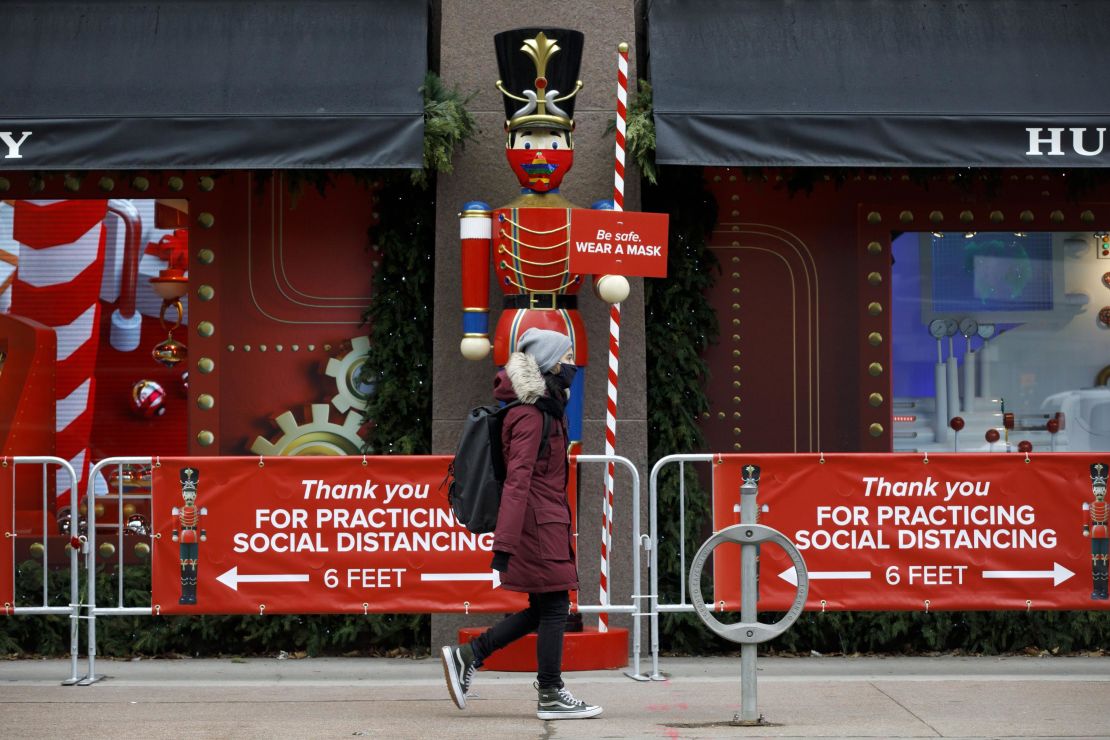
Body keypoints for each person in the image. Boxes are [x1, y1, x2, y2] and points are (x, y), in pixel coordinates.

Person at [441, 327, 602, 720]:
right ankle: (550, 693)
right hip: (534, 526)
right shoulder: (530, 415)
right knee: (554, 607)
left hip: (544, 522)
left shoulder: (546, 408)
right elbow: (517, 481)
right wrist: (505, 545)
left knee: (544, 605)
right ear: (548, 364)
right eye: (566, 359)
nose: (571, 365)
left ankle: (469, 656)